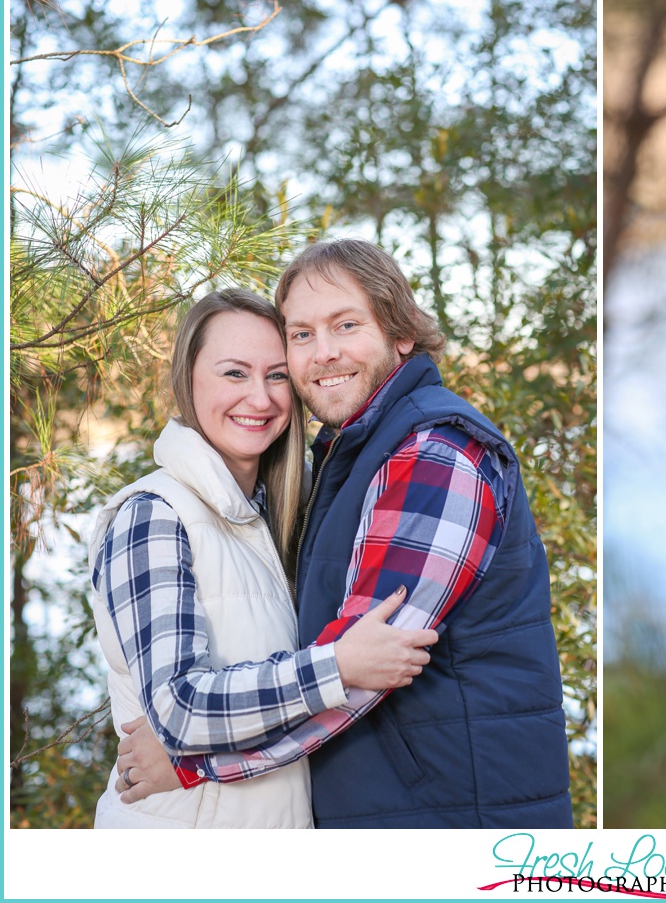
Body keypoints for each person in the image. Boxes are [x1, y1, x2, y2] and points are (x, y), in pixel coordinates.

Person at [119, 241, 574, 828]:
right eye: (301, 335)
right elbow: (340, 664)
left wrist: (193, 762)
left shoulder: (433, 455)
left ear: (400, 332)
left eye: (346, 325)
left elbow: (359, 674)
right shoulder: (343, 462)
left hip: (453, 824)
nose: (323, 353)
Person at [90, 288, 438, 828]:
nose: (260, 399)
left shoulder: (275, 520)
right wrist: (339, 665)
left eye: (277, 376)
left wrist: (189, 764)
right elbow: (180, 709)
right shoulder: (154, 515)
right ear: (189, 377)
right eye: (234, 373)